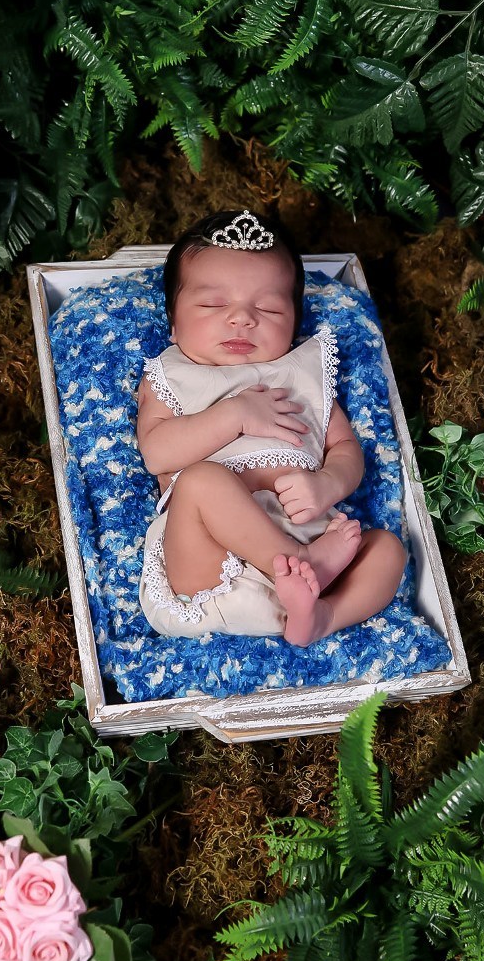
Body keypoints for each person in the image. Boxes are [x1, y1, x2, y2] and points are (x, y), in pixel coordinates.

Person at [136, 209, 406, 646]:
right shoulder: (173, 375)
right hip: (210, 563)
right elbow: (156, 453)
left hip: (310, 546)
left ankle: (321, 617)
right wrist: (235, 414)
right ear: (173, 320)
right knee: (201, 481)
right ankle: (301, 562)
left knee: (387, 549)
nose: (242, 318)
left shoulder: (304, 376)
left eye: (268, 307)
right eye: (213, 304)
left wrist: (329, 484)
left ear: (295, 322)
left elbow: (344, 447)